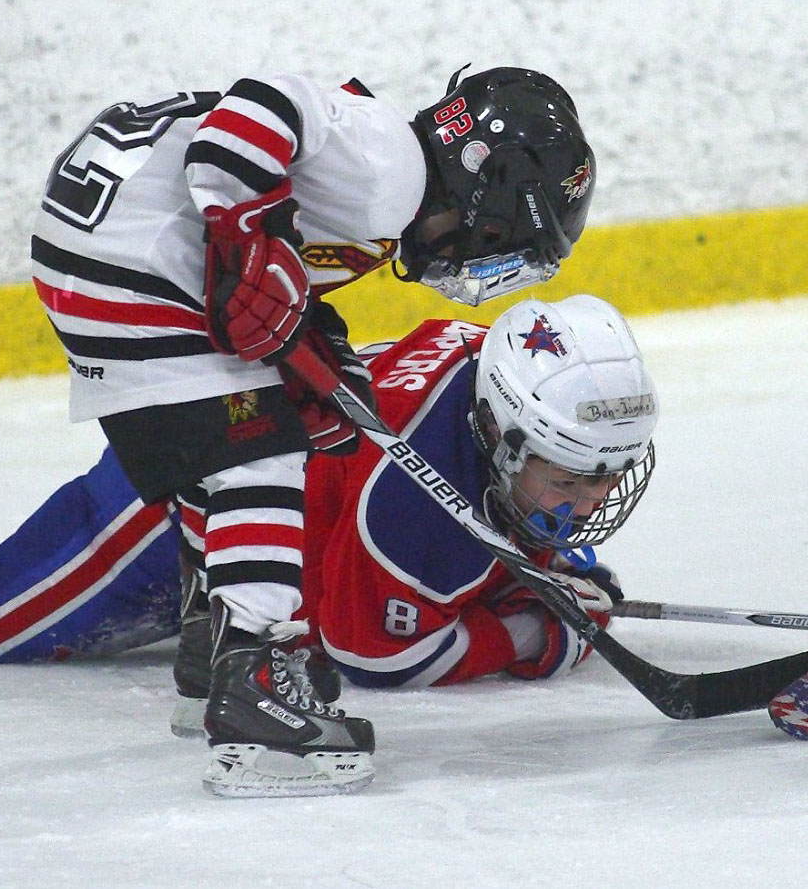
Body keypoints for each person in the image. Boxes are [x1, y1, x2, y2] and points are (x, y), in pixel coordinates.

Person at [29, 63, 594, 795]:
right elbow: (263, 99)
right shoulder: (391, 167)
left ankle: (214, 651)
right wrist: (246, 235)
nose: (481, 253)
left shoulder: (380, 188)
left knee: (226, 452)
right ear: (485, 188)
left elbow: (275, 238)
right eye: (499, 233)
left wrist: (305, 323)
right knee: (258, 453)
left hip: (96, 255)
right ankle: (254, 684)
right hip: (138, 254)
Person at [0, 295, 657, 790]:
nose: (592, 498)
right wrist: (540, 632)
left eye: (605, 474)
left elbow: (467, 534)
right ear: (504, 435)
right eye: (571, 480)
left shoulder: (505, 375)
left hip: (284, 494)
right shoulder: (414, 502)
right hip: (191, 497)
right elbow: (378, 655)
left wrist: (544, 568)